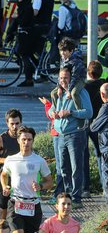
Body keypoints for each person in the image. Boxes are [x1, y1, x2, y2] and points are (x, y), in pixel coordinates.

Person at [0, 125, 52, 233]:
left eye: (29, 139)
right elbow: (3, 174)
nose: (26, 142)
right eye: (23, 139)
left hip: (33, 206)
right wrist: (5, 186)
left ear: (33, 141)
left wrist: (41, 186)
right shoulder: (11, 159)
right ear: (18, 140)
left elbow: (49, 181)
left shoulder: (39, 161)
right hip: (16, 204)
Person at [48, 66, 92, 205]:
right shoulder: (59, 93)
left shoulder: (80, 93)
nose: (63, 81)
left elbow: (89, 112)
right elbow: (52, 109)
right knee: (63, 169)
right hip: (60, 135)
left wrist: (71, 113)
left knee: (76, 168)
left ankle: (76, 198)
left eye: (65, 78)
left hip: (75, 135)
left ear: (71, 78)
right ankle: (67, 198)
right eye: (60, 78)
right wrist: (52, 114)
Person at [0, 109, 24, 220]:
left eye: (17, 123)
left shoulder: (25, 138)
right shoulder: (1, 139)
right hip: (5, 179)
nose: (15, 126)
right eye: (12, 124)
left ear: (21, 122)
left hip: (22, 180)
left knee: (21, 213)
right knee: (3, 212)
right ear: (7, 123)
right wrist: (5, 160)